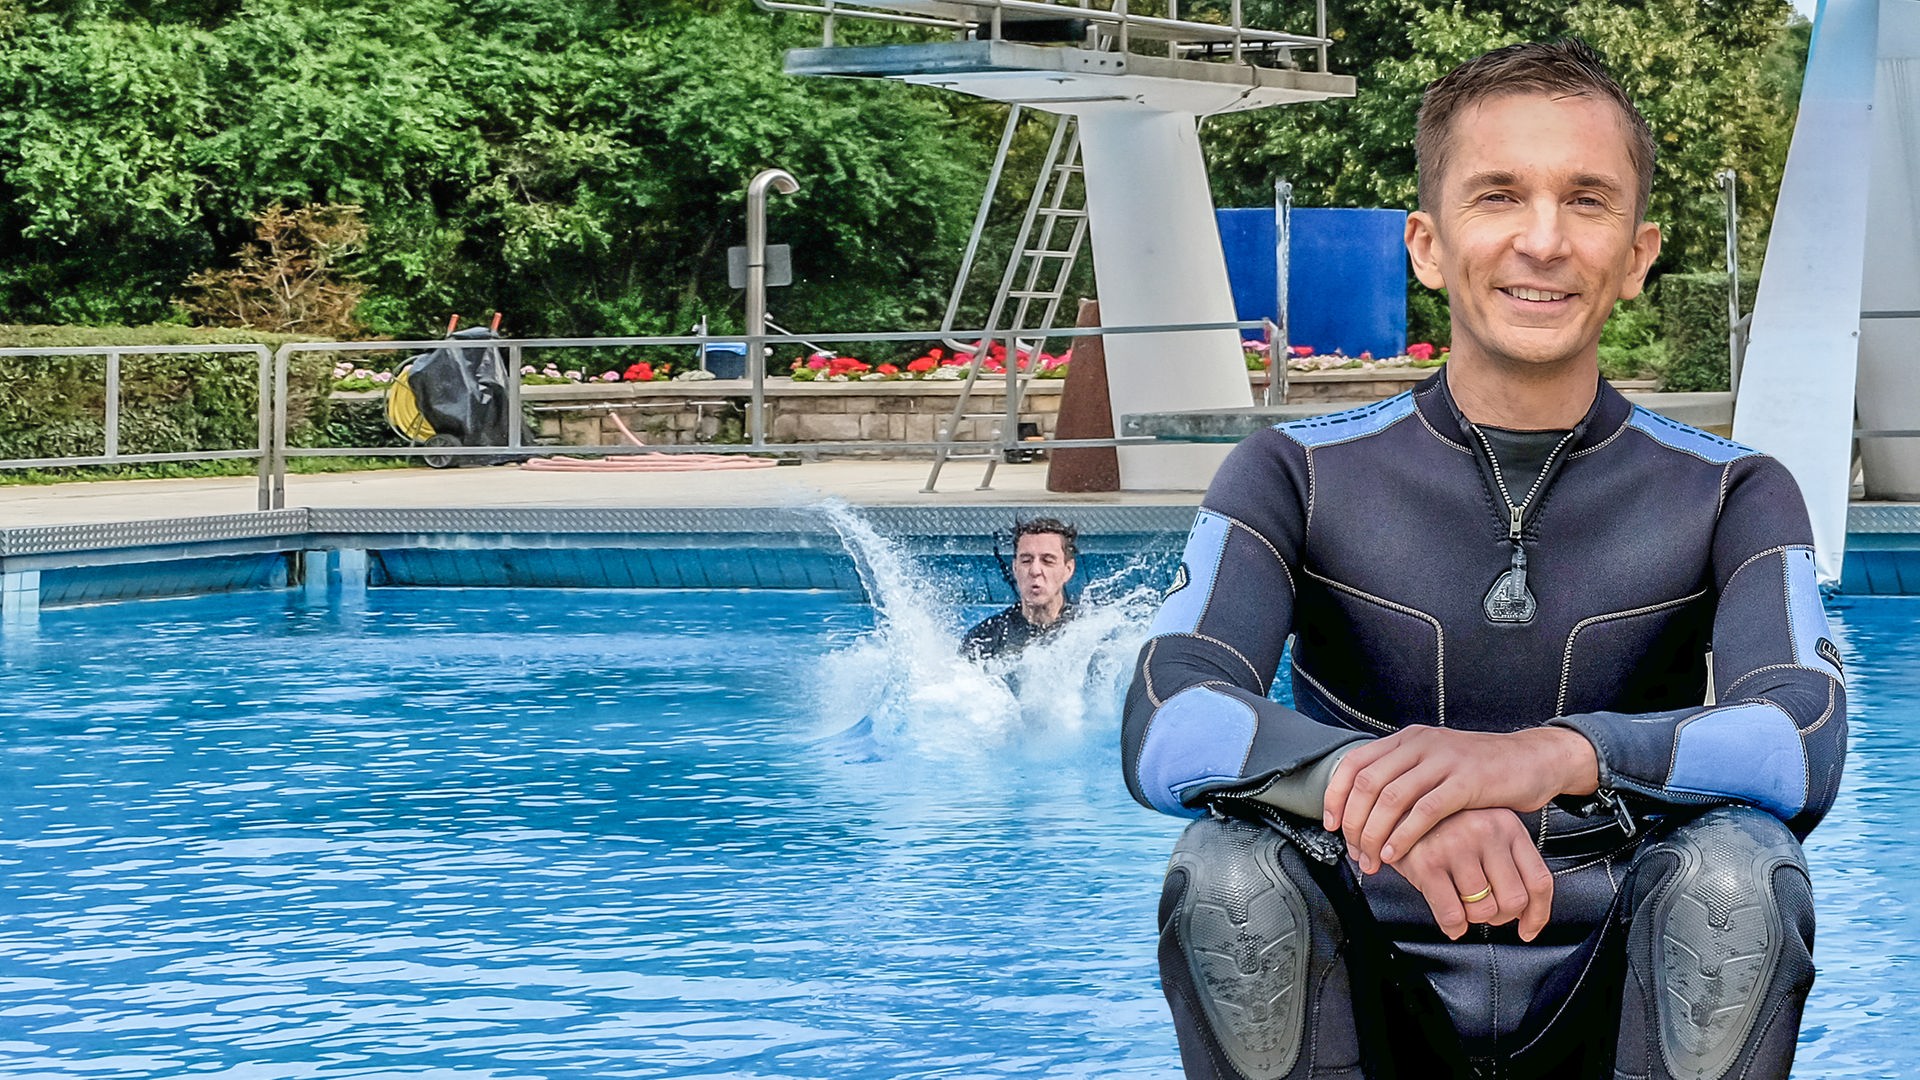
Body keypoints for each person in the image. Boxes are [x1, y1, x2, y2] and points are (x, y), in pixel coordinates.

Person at [1122, 40, 1846, 1080]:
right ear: (1427, 243)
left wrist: (1548, 757)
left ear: (1637, 254)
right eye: (1499, 195)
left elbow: (1802, 737)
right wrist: (1377, 792)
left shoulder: (1735, 490)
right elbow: (1164, 714)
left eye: (1586, 201)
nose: (1542, 241)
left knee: (1739, 876)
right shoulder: (1293, 472)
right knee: (1227, 872)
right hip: (1362, 967)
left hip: (1619, 981)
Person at [961, 517, 1078, 660]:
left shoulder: (1088, 630)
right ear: (1015, 568)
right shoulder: (983, 639)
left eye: (1047, 561)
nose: (1035, 570)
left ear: (1068, 569)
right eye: (1026, 561)